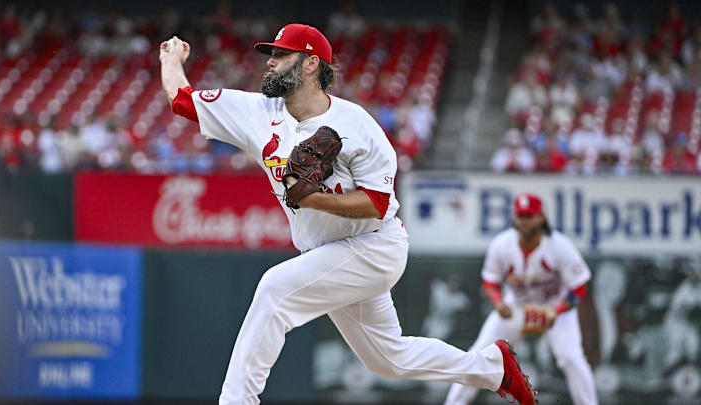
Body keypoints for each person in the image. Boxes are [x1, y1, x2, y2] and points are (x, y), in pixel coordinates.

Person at [159, 24, 538, 405]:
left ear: (310, 64)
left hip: (374, 246)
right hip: (325, 253)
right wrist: (170, 58)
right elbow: (182, 99)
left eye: (280, 55)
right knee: (388, 360)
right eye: (269, 55)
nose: (269, 63)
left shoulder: (357, 126)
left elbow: (376, 202)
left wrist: (312, 198)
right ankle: (492, 368)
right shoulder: (257, 111)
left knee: (275, 289)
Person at [444, 193, 598, 405]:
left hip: (554, 309)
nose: (524, 221)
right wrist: (498, 302)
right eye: (521, 215)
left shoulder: (559, 246)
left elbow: (579, 287)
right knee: (478, 354)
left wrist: (558, 311)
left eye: (530, 216)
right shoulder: (502, 244)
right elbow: (491, 281)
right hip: (516, 307)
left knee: (571, 358)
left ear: (541, 217)